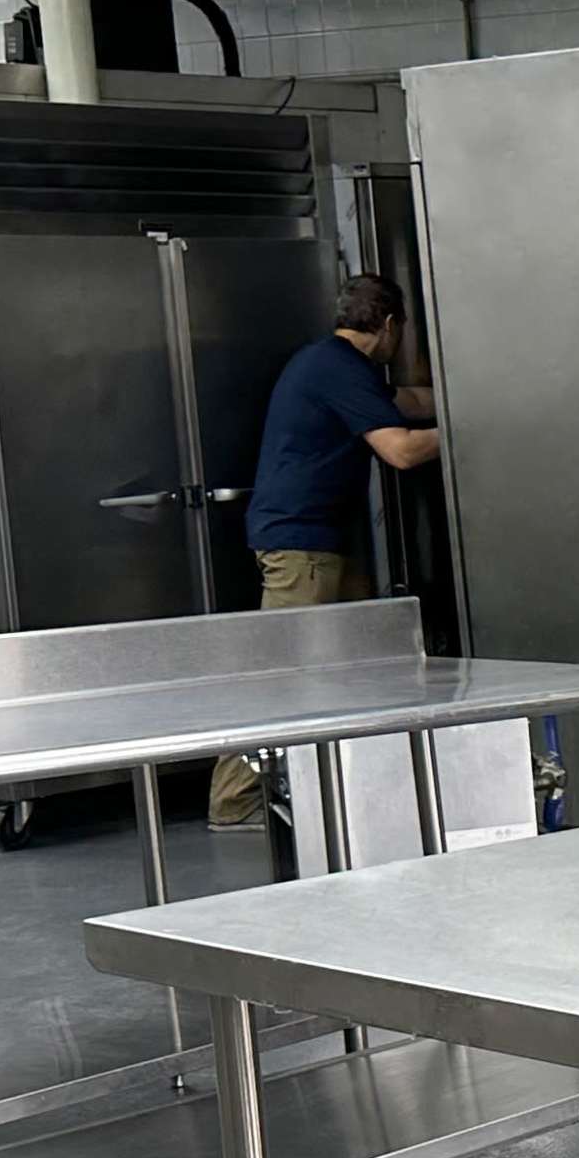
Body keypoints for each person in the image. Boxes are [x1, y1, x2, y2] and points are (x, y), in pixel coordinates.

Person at [207, 274, 438, 825]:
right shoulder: (336, 368)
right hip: (300, 544)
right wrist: (471, 425)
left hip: (320, 540)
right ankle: (235, 802)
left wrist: (466, 390)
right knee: (282, 674)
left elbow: (403, 402)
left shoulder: (335, 366)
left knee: (362, 661)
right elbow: (401, 451)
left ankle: (354, 783)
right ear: (388, 325)